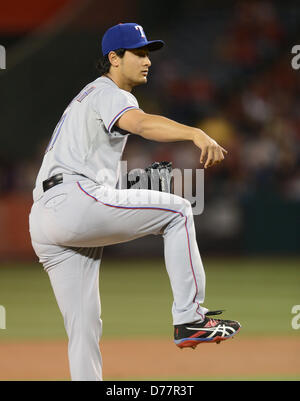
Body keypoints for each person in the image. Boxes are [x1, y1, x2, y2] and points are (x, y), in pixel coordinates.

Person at [29, 23, 241, 381]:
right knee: (178, 210)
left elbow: (85, 165)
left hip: (47, 216)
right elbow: (141, 125)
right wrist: (194, 132)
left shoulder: (88, 97)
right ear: (114, 58)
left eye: (148, 54)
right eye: (139, 53)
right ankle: (190, 319)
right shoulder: (109, 91)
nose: (147, 61)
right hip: (73, 201)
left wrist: (122, 187)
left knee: (84, 330)